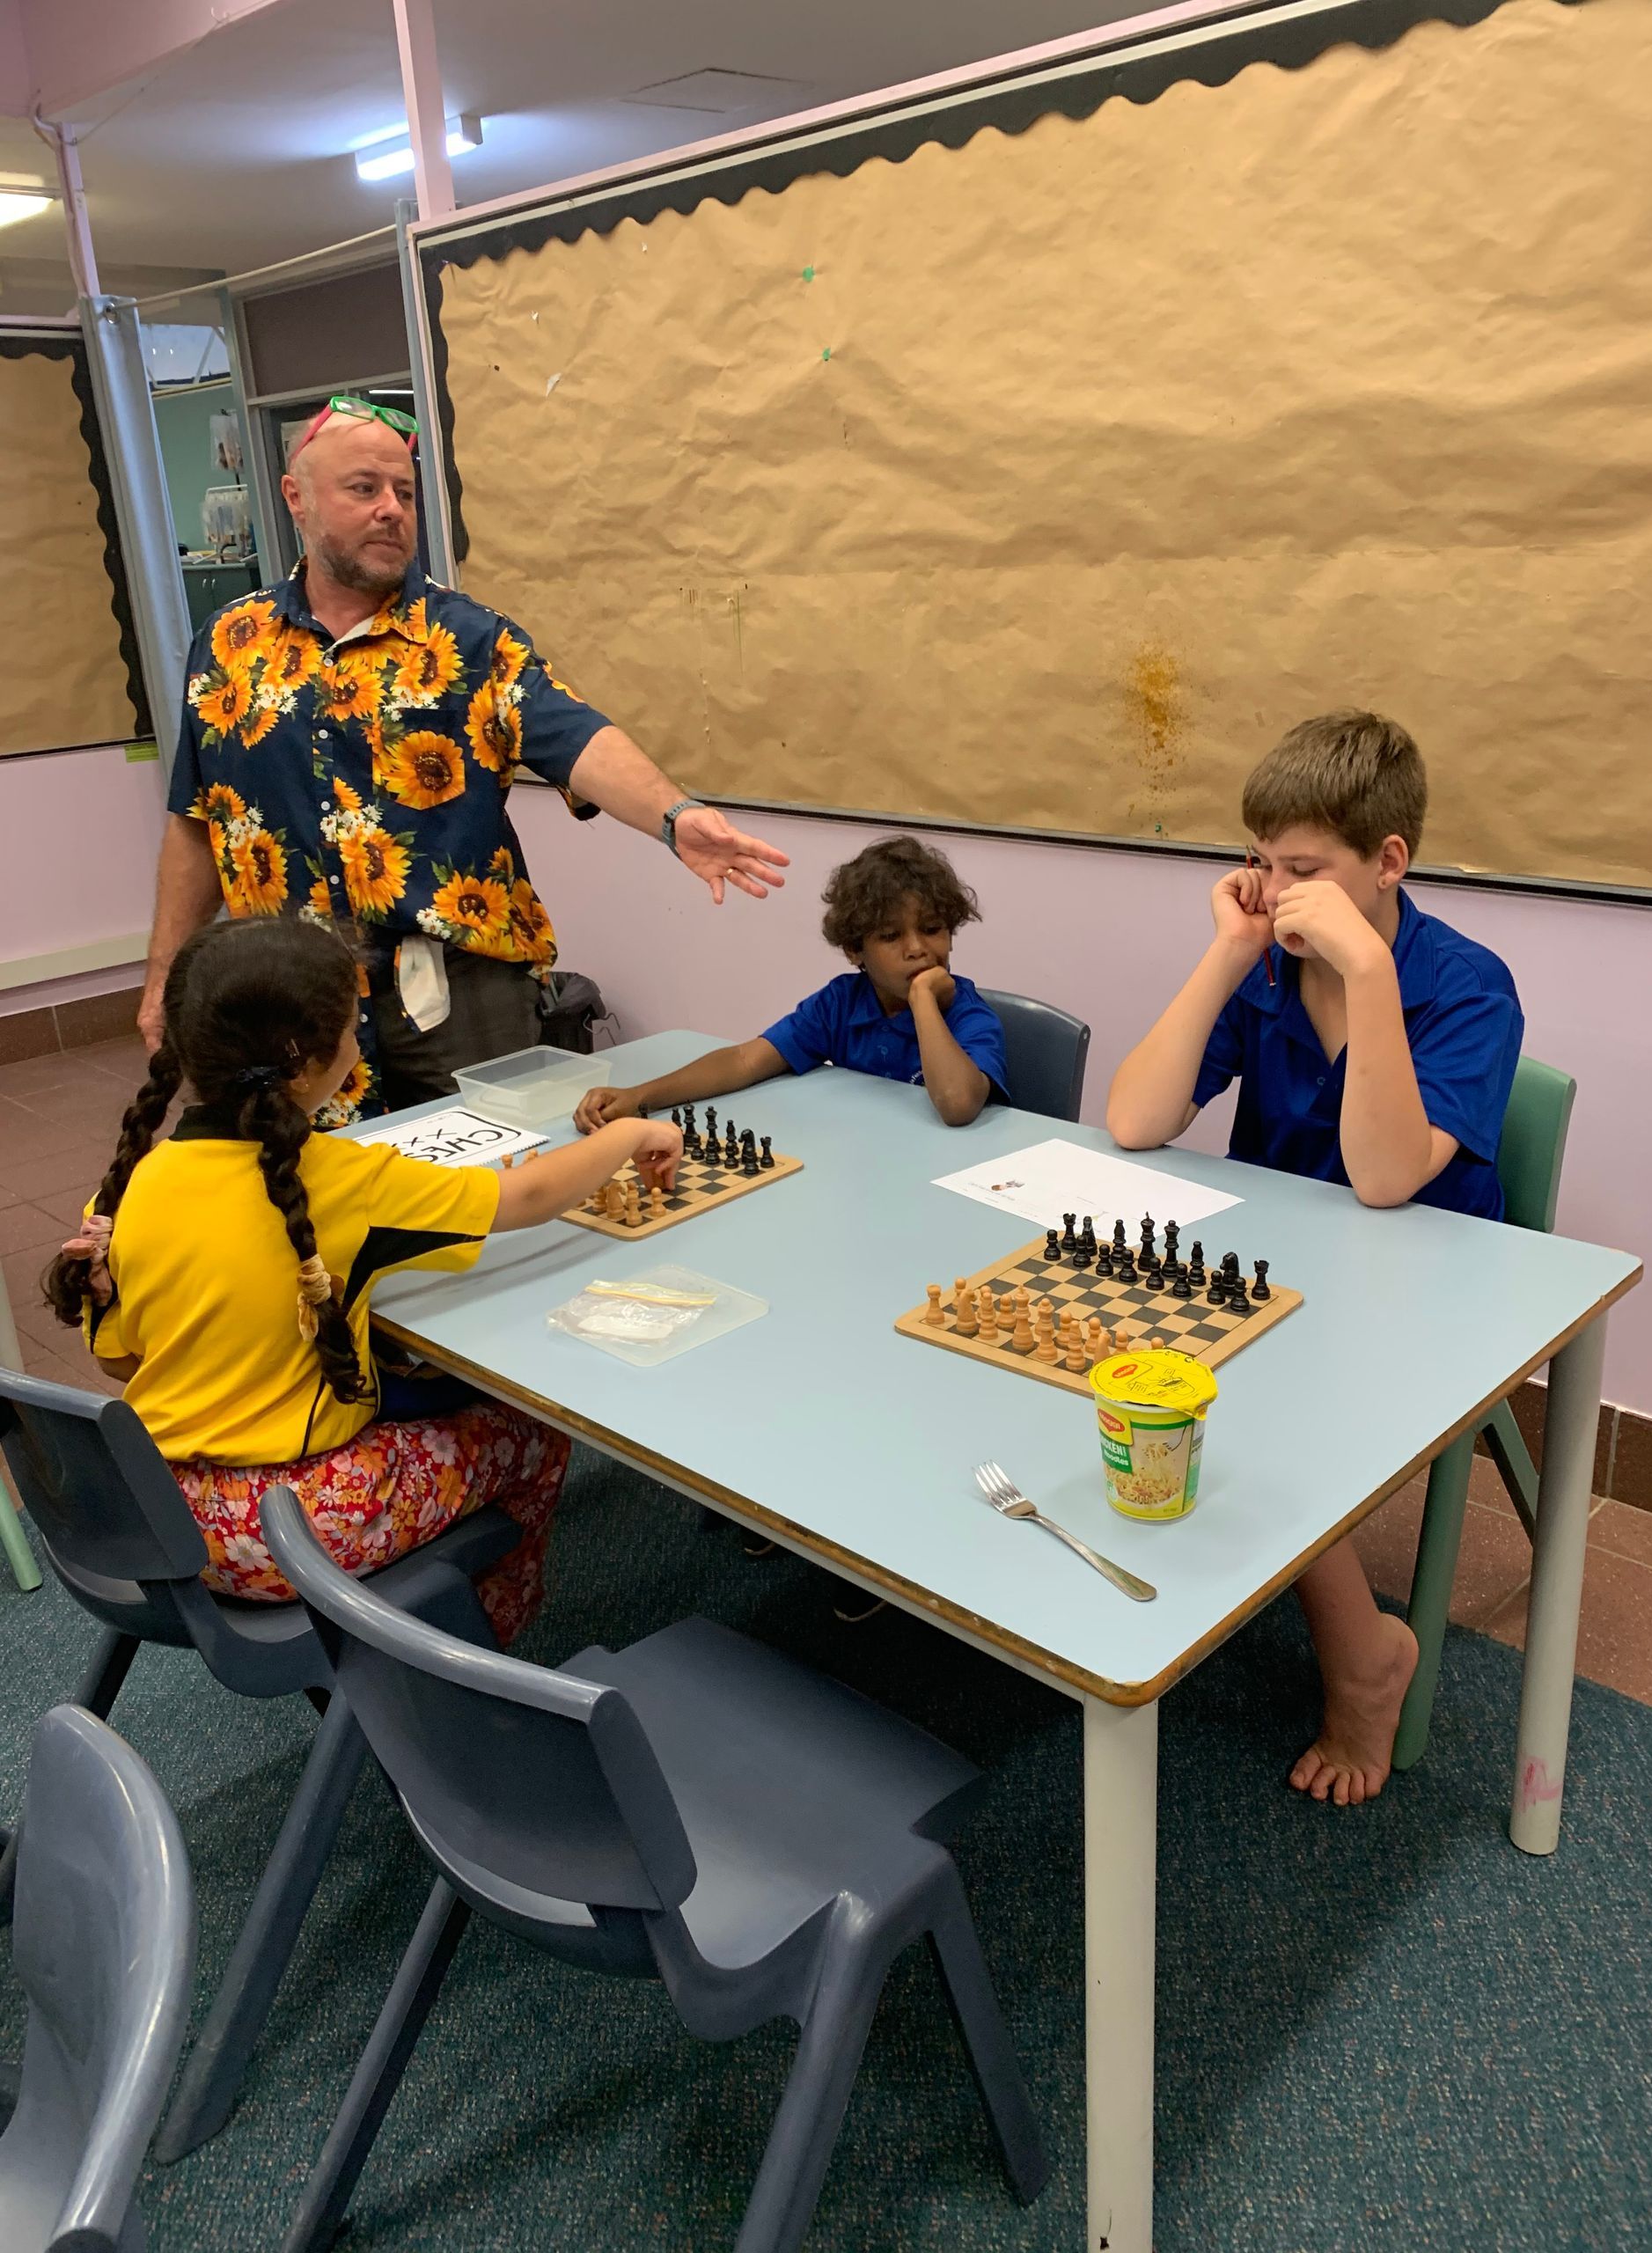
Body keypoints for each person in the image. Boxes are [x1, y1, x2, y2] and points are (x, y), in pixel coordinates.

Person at [143, 395, 789, 1120]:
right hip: (290, 995)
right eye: (364, 488)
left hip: (458, 991)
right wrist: (165, 975)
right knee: (321, 1197)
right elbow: (197, 821)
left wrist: (674, 817)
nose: (391, 508)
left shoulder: (470, 639)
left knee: (498, 1184)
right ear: (296, 498)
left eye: (406, 492)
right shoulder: (229, 644)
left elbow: (574, 736)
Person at [48, 917, 681, 1647]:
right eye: (353, 1024)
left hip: (154, 1511)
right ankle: (489, 1650)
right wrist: (630, 1135)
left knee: (405, 1382)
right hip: (295, 1531)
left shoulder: (126, 1189)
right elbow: (526, 1198)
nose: (359, 1038)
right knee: (530, 1433)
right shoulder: (344, 1178)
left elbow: (122, 1362)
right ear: (315, 1062)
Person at [1106, 710, 1524, 1803]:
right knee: (1140, 1341)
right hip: (1290, 1267)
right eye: (1257, 862)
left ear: (1389, 863)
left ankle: (1366, 1662)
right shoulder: (1268, 965)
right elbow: (1135, 1120)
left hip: (1430, 1286)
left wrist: (1368, 973)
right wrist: (1226, 950)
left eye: (1302, 871)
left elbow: (1387, 1179)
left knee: (1239, 1390)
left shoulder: (1469, 986)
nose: (1272, 890)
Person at [573, 834, 1007, 1134]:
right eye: (891, 937)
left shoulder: (967, 1013)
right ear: (855, 950)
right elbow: (744, 1060)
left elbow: (956, 1106)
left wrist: (924, 1000)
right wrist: (639, 1096)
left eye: (932, 929)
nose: (917, 949)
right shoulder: (840, 1003)